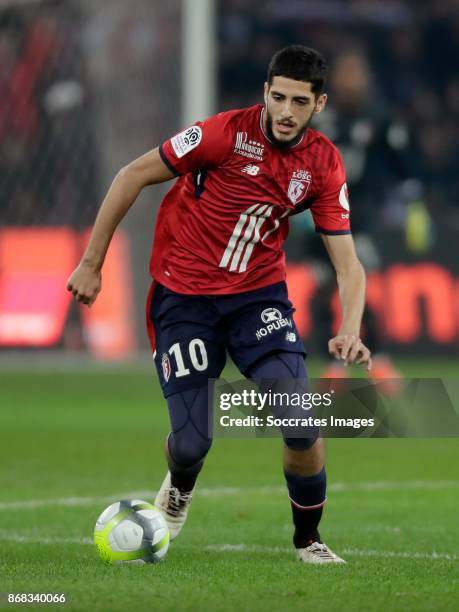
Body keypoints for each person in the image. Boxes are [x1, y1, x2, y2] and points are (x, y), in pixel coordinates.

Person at [67, 45, 372, 564]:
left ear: (318, 105)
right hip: (184, 300)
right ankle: (179, 487)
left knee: (300, 422)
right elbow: (131, 175)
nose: (285, 112)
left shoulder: (322, 163)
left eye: (299, 102)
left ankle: (309, 539)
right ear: (265, 93)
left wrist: (352, 327)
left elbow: (348, 263)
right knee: (191, 446)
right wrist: (92, 263)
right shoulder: (221, 135)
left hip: (258, 301)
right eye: (278, 97)